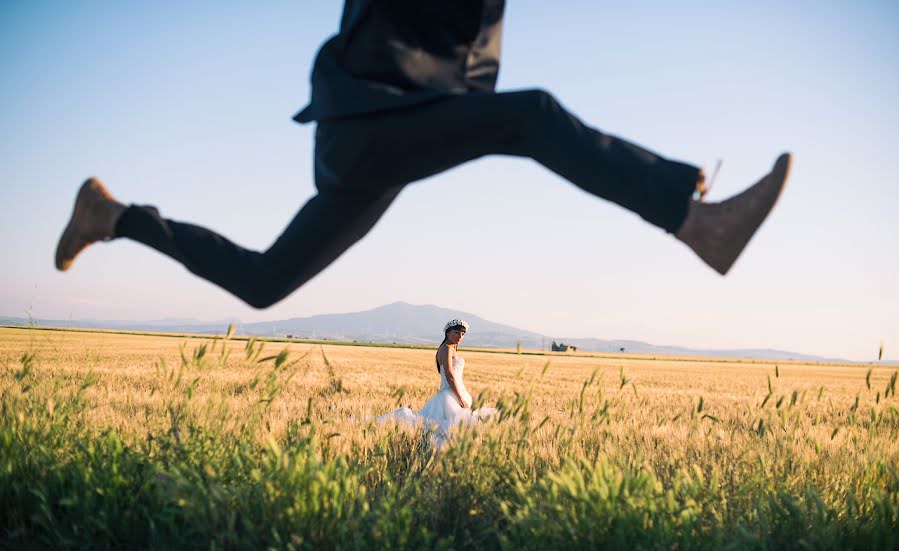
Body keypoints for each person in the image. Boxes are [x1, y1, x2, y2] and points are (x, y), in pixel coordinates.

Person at [55, 1, 792, 306]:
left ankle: (111, 216)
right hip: (366, 127)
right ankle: (695, 223)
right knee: (529, 116)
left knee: (264, 283)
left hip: (386, 136)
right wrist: (649, 177)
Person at [376, 318, 496, 447]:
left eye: (462, 334)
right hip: (449, 396)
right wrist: (460, 398)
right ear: (448, 333)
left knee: (458, 427)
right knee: (447, 428)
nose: (460, 336)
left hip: (456, 392)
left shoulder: (451, 348)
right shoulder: (446, 349)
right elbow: (449, 375)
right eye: (456, 332)